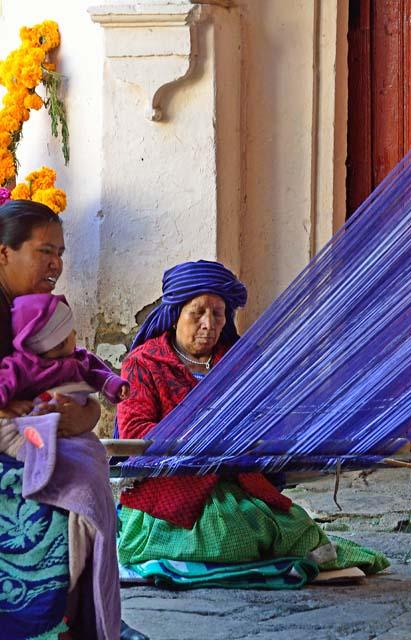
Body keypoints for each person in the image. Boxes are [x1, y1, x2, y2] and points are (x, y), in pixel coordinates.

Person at [116, 260, 389, 588]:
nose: (208, 324)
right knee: (227, 536)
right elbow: (134, 432)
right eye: (197, 312)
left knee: (295, 528)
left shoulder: (239, 361)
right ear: (175, 313)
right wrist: (202, 434)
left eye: (218, 314)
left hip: (237, 479)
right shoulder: (143, 363)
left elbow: (264, 420)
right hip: (173, 486)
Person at [0, 200, 147, 640]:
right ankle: (40, 624)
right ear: (4, 252)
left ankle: (82, 619)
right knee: (71, 493)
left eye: (60, 252)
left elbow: (77, 381)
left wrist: (81, 415)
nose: (56, 263)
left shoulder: (34, 312)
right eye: (44, 250)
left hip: (36, 434)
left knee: (88, 469)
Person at [0, 292, 129, 412]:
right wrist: (8, 406)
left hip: (73, 422)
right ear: (61, 343)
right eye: (71, 331)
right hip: (36, 423)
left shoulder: (80, 359)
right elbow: (4, 385)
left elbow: (98, 374)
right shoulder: (21, 366)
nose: (75, 333)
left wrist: (116, 385)